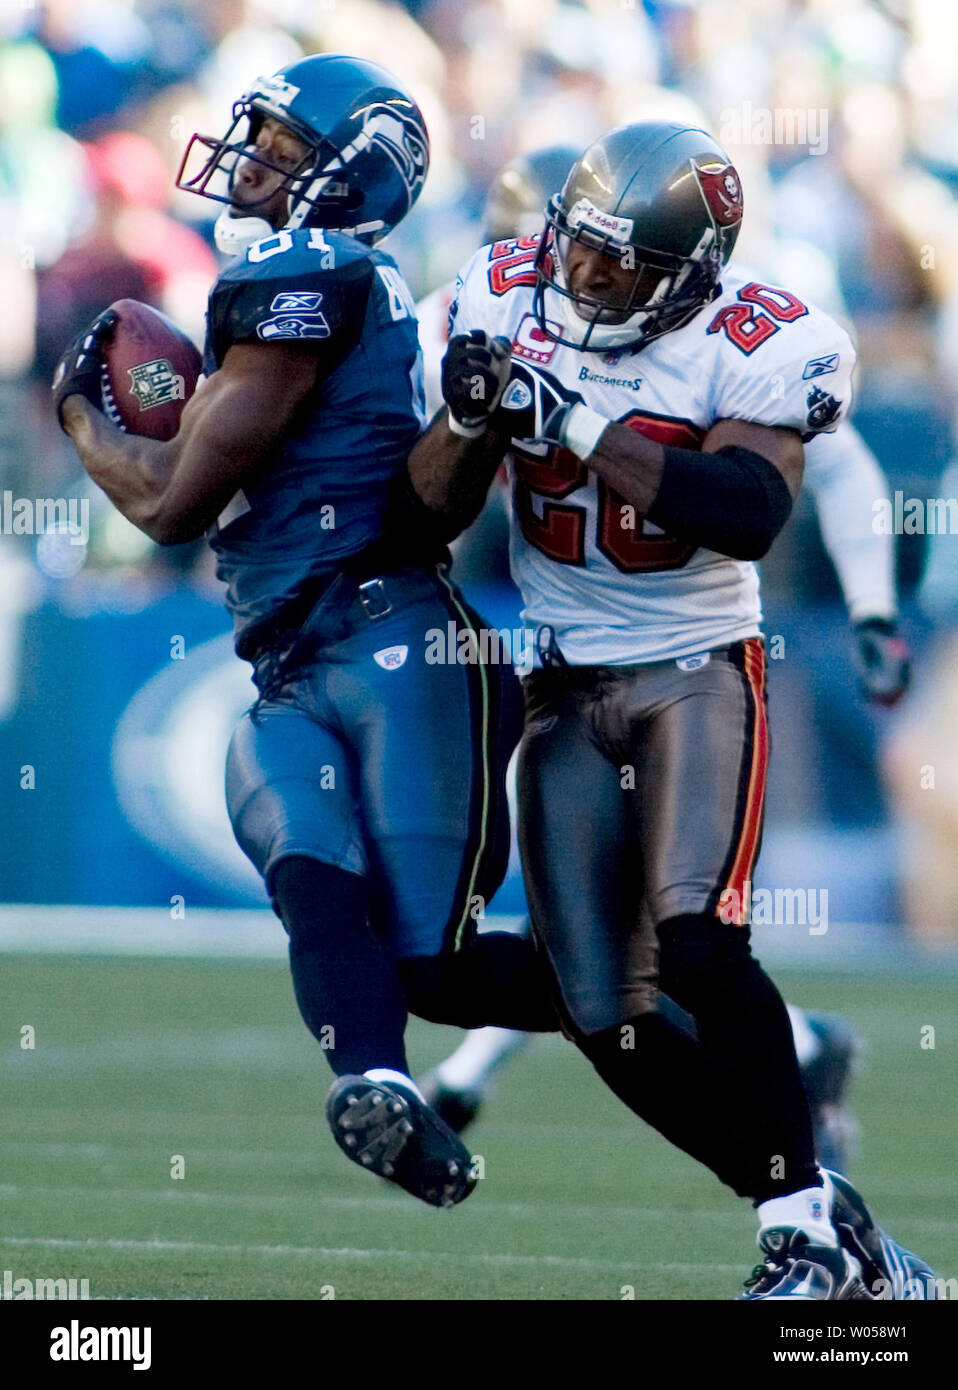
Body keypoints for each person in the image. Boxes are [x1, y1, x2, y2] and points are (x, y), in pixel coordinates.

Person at [406, 120, 938, 1297]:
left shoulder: (758, 332)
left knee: (696, 938)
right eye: (577, 254)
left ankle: (798, 1237)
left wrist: (578, 425)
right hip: (561, 677)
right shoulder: (494, 293)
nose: (586, 282)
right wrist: (466, 420)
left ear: (692, 274)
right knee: (601, 1006)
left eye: (620, 266)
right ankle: (824, 1220)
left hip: (694, 661)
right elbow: (422, 515)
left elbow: (745, 510)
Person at [52, 53, 558, 1212]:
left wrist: (82, 415)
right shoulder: (311, 277)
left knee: (437, 961)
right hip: (291, 654)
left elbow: (173, 502)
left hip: (391, 636)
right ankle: (377, 1086)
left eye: (279, 141)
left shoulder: (314, 271)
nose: (250, 158)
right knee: (307, 866)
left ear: (350, 169)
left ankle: (672, 1011)